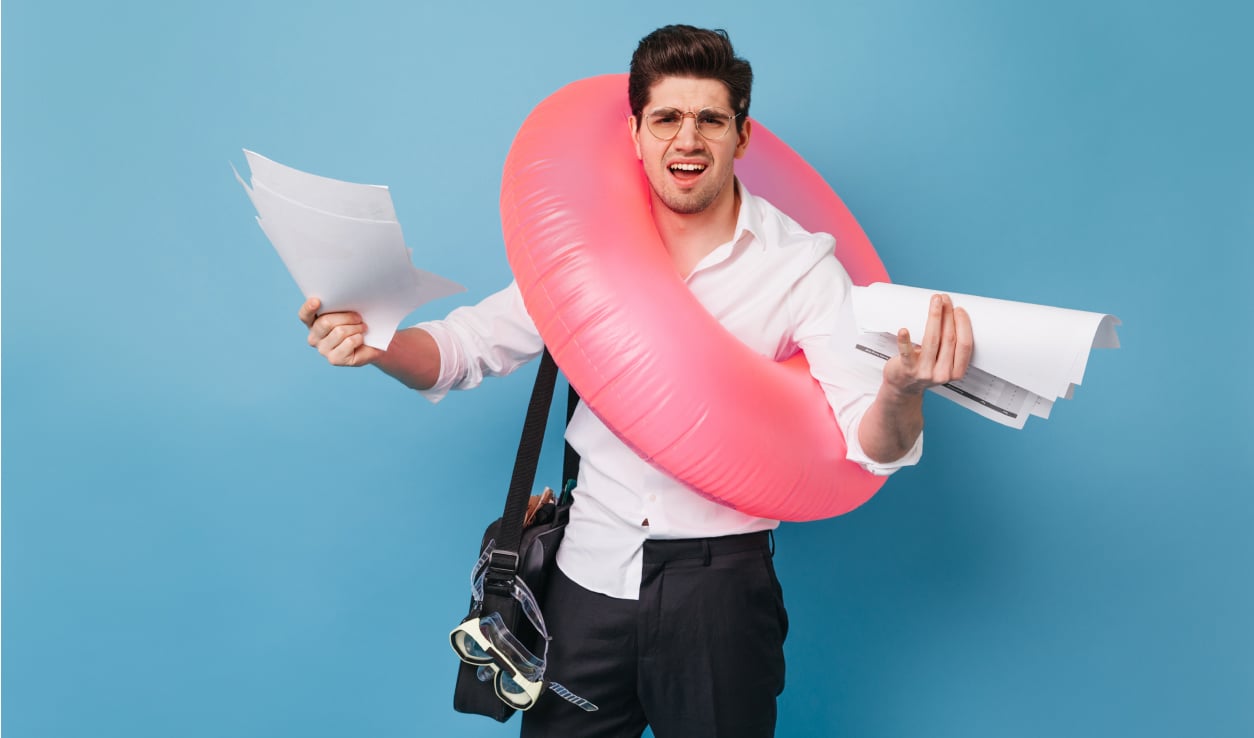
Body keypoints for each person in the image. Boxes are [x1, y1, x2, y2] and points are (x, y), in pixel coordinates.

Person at [299, 24, 972, 738]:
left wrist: (900, 391)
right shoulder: (588, 245)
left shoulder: (801, 270)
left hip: (721, 590)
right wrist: (380, 345)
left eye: (711, 119)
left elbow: (871, 447)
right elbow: (465, 349)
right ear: (637, 133)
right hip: (587, 579)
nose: (688, 139)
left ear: (743, 137)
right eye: (667, 119)